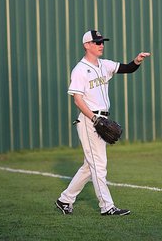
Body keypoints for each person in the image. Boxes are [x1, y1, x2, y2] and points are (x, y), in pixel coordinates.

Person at [55, 29, 150, 216]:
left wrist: (137, 60)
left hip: (101, 119)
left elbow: (127, 68)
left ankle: (64, 199)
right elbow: (77, 99)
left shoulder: (104, 65)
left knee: (89, 166)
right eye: (97, 42)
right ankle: (107, 207)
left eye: (102, 42)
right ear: (86, 45)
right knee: (99, 165)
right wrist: (94, 118)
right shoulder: (80, 70)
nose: (101, 45)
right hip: (90, 120)